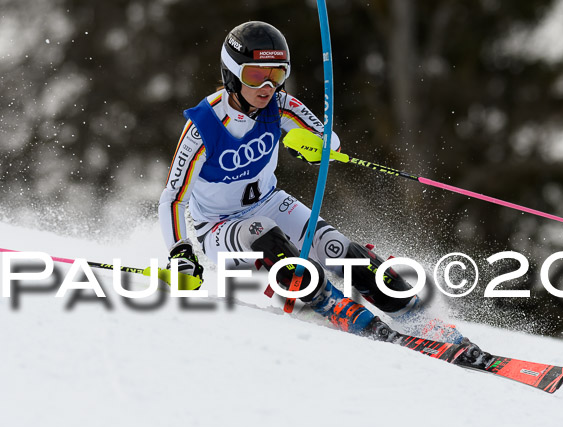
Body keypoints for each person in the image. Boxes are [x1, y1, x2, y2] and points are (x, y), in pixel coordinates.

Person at [158, 21, 480, 350]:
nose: (268, 86)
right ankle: (328, 305)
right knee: (263, 232)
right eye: (256, 75)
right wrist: (180, 253)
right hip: (217, 225)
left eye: (277, 74)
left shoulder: (280, 105)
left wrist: (318, 148)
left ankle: (417, 318)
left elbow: (331, 142)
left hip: (268, 201)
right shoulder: (203, 126)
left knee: (338, 248)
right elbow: (172, 198)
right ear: (231, 73)